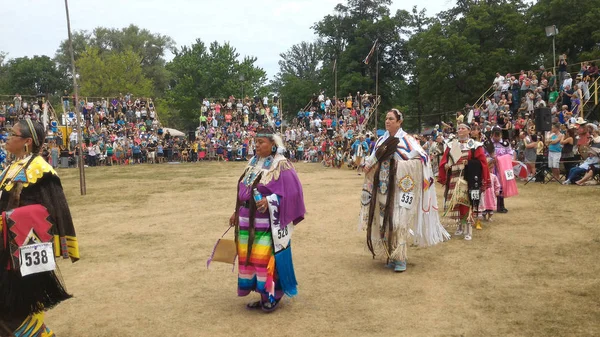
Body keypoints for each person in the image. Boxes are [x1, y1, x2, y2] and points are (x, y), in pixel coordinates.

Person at [0, 120, 79, 335]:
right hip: (4, 250)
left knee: (18, 311)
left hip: (23, 251)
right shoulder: (10, 168)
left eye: (12, 133)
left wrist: (8, 220)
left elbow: (52, 211)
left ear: (27, 141)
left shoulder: (40, 169)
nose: (7, 136)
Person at [359, 109, 449, 272]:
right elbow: (372, 159)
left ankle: (400, 257)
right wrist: (368, 166)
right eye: (386, 118)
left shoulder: (408, 141)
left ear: (399, 122)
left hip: (403, 187)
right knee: (385, 221)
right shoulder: (381, 140)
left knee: (399, 222)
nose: (387, 121)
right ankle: (391, 253)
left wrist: (397, 166)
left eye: (391, 119)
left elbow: (422, 158)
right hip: (384, 187)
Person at [228, 128, 305, 312]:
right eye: (256, 142)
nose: (257, 145)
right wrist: (236, 212)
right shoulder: (254, 162)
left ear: (273, 145)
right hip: (248, 219)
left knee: (265, 258)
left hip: (267, 222)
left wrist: (269, 201)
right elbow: (244, 190)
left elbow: (293, 193)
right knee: (251, 259)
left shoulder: (281, 165)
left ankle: (272, 295)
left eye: (261, 142)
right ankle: (261, 294)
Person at [438, 124, 490, 240]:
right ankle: (459, 227)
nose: (460, 130)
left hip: (468, 180)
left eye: (463, 128)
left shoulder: (475, 145)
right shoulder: (452, 145)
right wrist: (445, 166)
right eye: (459, 128)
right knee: (456, 203)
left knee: (466, 203)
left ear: (469, 131)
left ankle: (468, 229)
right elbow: (444, 160)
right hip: (454, 179)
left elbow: (482, 163)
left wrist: (469, 163)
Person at [484, 127, 514, 213]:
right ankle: (488, 206)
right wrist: (490, 159)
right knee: (490, 186)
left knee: (501, 185)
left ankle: (501, 205)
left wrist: (500, 159)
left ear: (501, 135)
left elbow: (510, 154)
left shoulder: (505, 144)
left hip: (502, 168)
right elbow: (483, 155)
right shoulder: (487, 143)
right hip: (490, 168)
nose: (496, 138)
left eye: (498, 136)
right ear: (492, 134)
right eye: (495, 135)